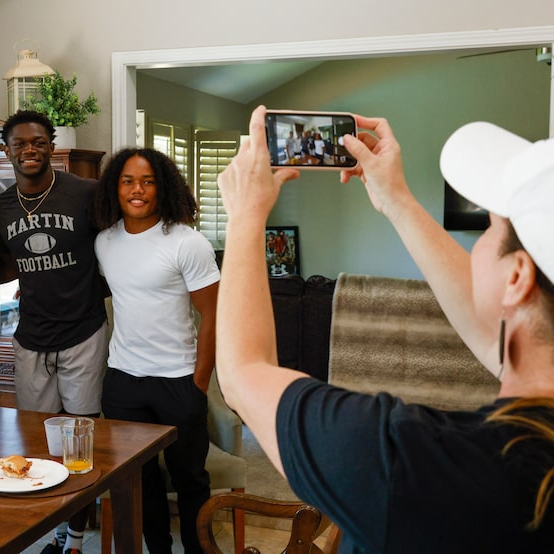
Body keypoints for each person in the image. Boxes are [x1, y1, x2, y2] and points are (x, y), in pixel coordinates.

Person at [215, 105, 554, 552]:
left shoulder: (410, 461)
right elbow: (493, 326)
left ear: (516, 279)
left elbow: (242, 374)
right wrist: (395, 198)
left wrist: (245, 214)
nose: (478, 250)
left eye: (491, 227)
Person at [0, 110, 107, 554]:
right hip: (30, 336)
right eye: (20, 143)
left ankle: (74, 540)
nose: (30, 150)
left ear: (51, 145)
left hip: (83, 332)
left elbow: (116, 248)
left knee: (79, 443)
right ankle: (52, 534)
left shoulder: (86, 194)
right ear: (8, 150)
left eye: (38, 141)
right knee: (39, 442)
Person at [93, 148, 220, 554]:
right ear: (115, 187)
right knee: (140, 483)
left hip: (178, 381)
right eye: (128, 180)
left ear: (162, 187)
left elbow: (213, 314)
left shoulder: (187, 242)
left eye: (147, 181)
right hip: (124, 383)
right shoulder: (104, 242)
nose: (137, 190)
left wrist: (199, 384)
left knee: (190, 481)